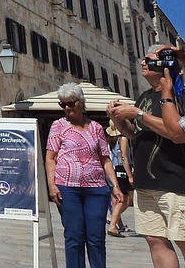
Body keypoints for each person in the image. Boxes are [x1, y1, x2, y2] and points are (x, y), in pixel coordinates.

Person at [108, 45, 185, 268]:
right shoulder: (144, 96)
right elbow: (135, 134)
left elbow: (177, 133)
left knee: (181, 239)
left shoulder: (180, 95)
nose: (142, 63)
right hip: (146, 183)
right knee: (155, 240)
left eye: (148, 60)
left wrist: (138, 114)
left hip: (175, 181)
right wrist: (118, 118)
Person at [46, 82, 123, 268]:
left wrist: (115, 186)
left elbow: (105, 159)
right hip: (67, 187)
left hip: (96, 188)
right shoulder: (58, 126)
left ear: (81, 102)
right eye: (62, 104)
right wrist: (52, 185)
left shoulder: (96, 127)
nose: (66, 108)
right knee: (74, 236)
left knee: (96, 237)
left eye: (70, 103)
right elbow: (50, 158)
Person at [107, 124, 133, 237]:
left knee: (117, 199)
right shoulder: (123, 138)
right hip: (122, 169)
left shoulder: (112, 140)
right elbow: (123, 157)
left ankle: (114, 222)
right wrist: (130, 175)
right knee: (126, 199)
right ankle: (113, 223)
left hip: (115, 169)